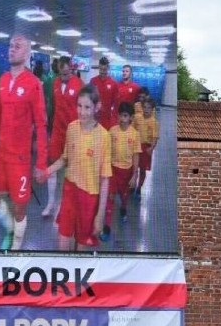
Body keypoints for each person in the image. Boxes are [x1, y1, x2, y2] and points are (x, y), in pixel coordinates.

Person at [0, 35, 48, 250]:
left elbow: (40, 125)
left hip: (20, 159)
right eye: (10, 46)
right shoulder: (2, 80)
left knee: (20, 209)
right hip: (1, 154)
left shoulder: (33, 84)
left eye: (17, 46)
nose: (12, 49)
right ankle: (10, 228)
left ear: (27, 53)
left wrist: (41, 164)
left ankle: (16, 247)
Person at [40, 84, 111, 251]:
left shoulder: (104, 137)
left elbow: (105, 179)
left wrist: (100, 215)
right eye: (79, 106)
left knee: (81, 247)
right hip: (69, 191)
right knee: (63, 241)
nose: (82, 111)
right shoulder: (71, 128)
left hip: (89, 198)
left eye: (87, 107)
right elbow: (65, 159)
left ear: (97, 107)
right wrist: (47, 171)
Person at [42, 56, 83, 217]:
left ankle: (66, 205)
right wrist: (48, 129)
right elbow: (51, 106)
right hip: (57, 132)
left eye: (67, 72)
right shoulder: (55, 83)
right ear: (59, 70)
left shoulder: (79, 85)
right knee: (51, 167)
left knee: (70, 170)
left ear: (71, 69)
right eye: (62, 73)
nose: (65, 75)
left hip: (73, 133)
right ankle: (50, 203)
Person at [101, 102, 141, 241]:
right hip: (113, 170)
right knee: (110, 197)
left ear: (130, 118)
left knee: (124, 197)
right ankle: (106, 227)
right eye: (120, 115)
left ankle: (123, 208)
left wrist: (134, 175)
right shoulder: (112, 131)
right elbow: (106, 150)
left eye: (125, 116)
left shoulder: (135, 134)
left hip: (127, 172)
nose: (122, 119)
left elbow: (136, 155)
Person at [133, 97, 160, 197]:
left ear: (152, 109)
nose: (146, 110)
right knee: (134, 167)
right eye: (144, 107)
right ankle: (132, 185)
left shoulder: (154, 122)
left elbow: (155, 137)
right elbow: (132, 130)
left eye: (149, 108)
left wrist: (151, 148)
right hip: (136, 146)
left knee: (143, 169)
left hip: (146, 148)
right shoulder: (137, 118)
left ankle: (139, 187)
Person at [89, 56, 119, 130]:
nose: (102, 71)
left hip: (107, 119)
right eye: (101, 69)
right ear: (99, 67)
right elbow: (89, 99)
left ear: (108, 68)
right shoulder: (93, 81)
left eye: (104, 69)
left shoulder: (113, 84)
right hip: (94, 118)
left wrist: (114, 120)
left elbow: (116, 104)